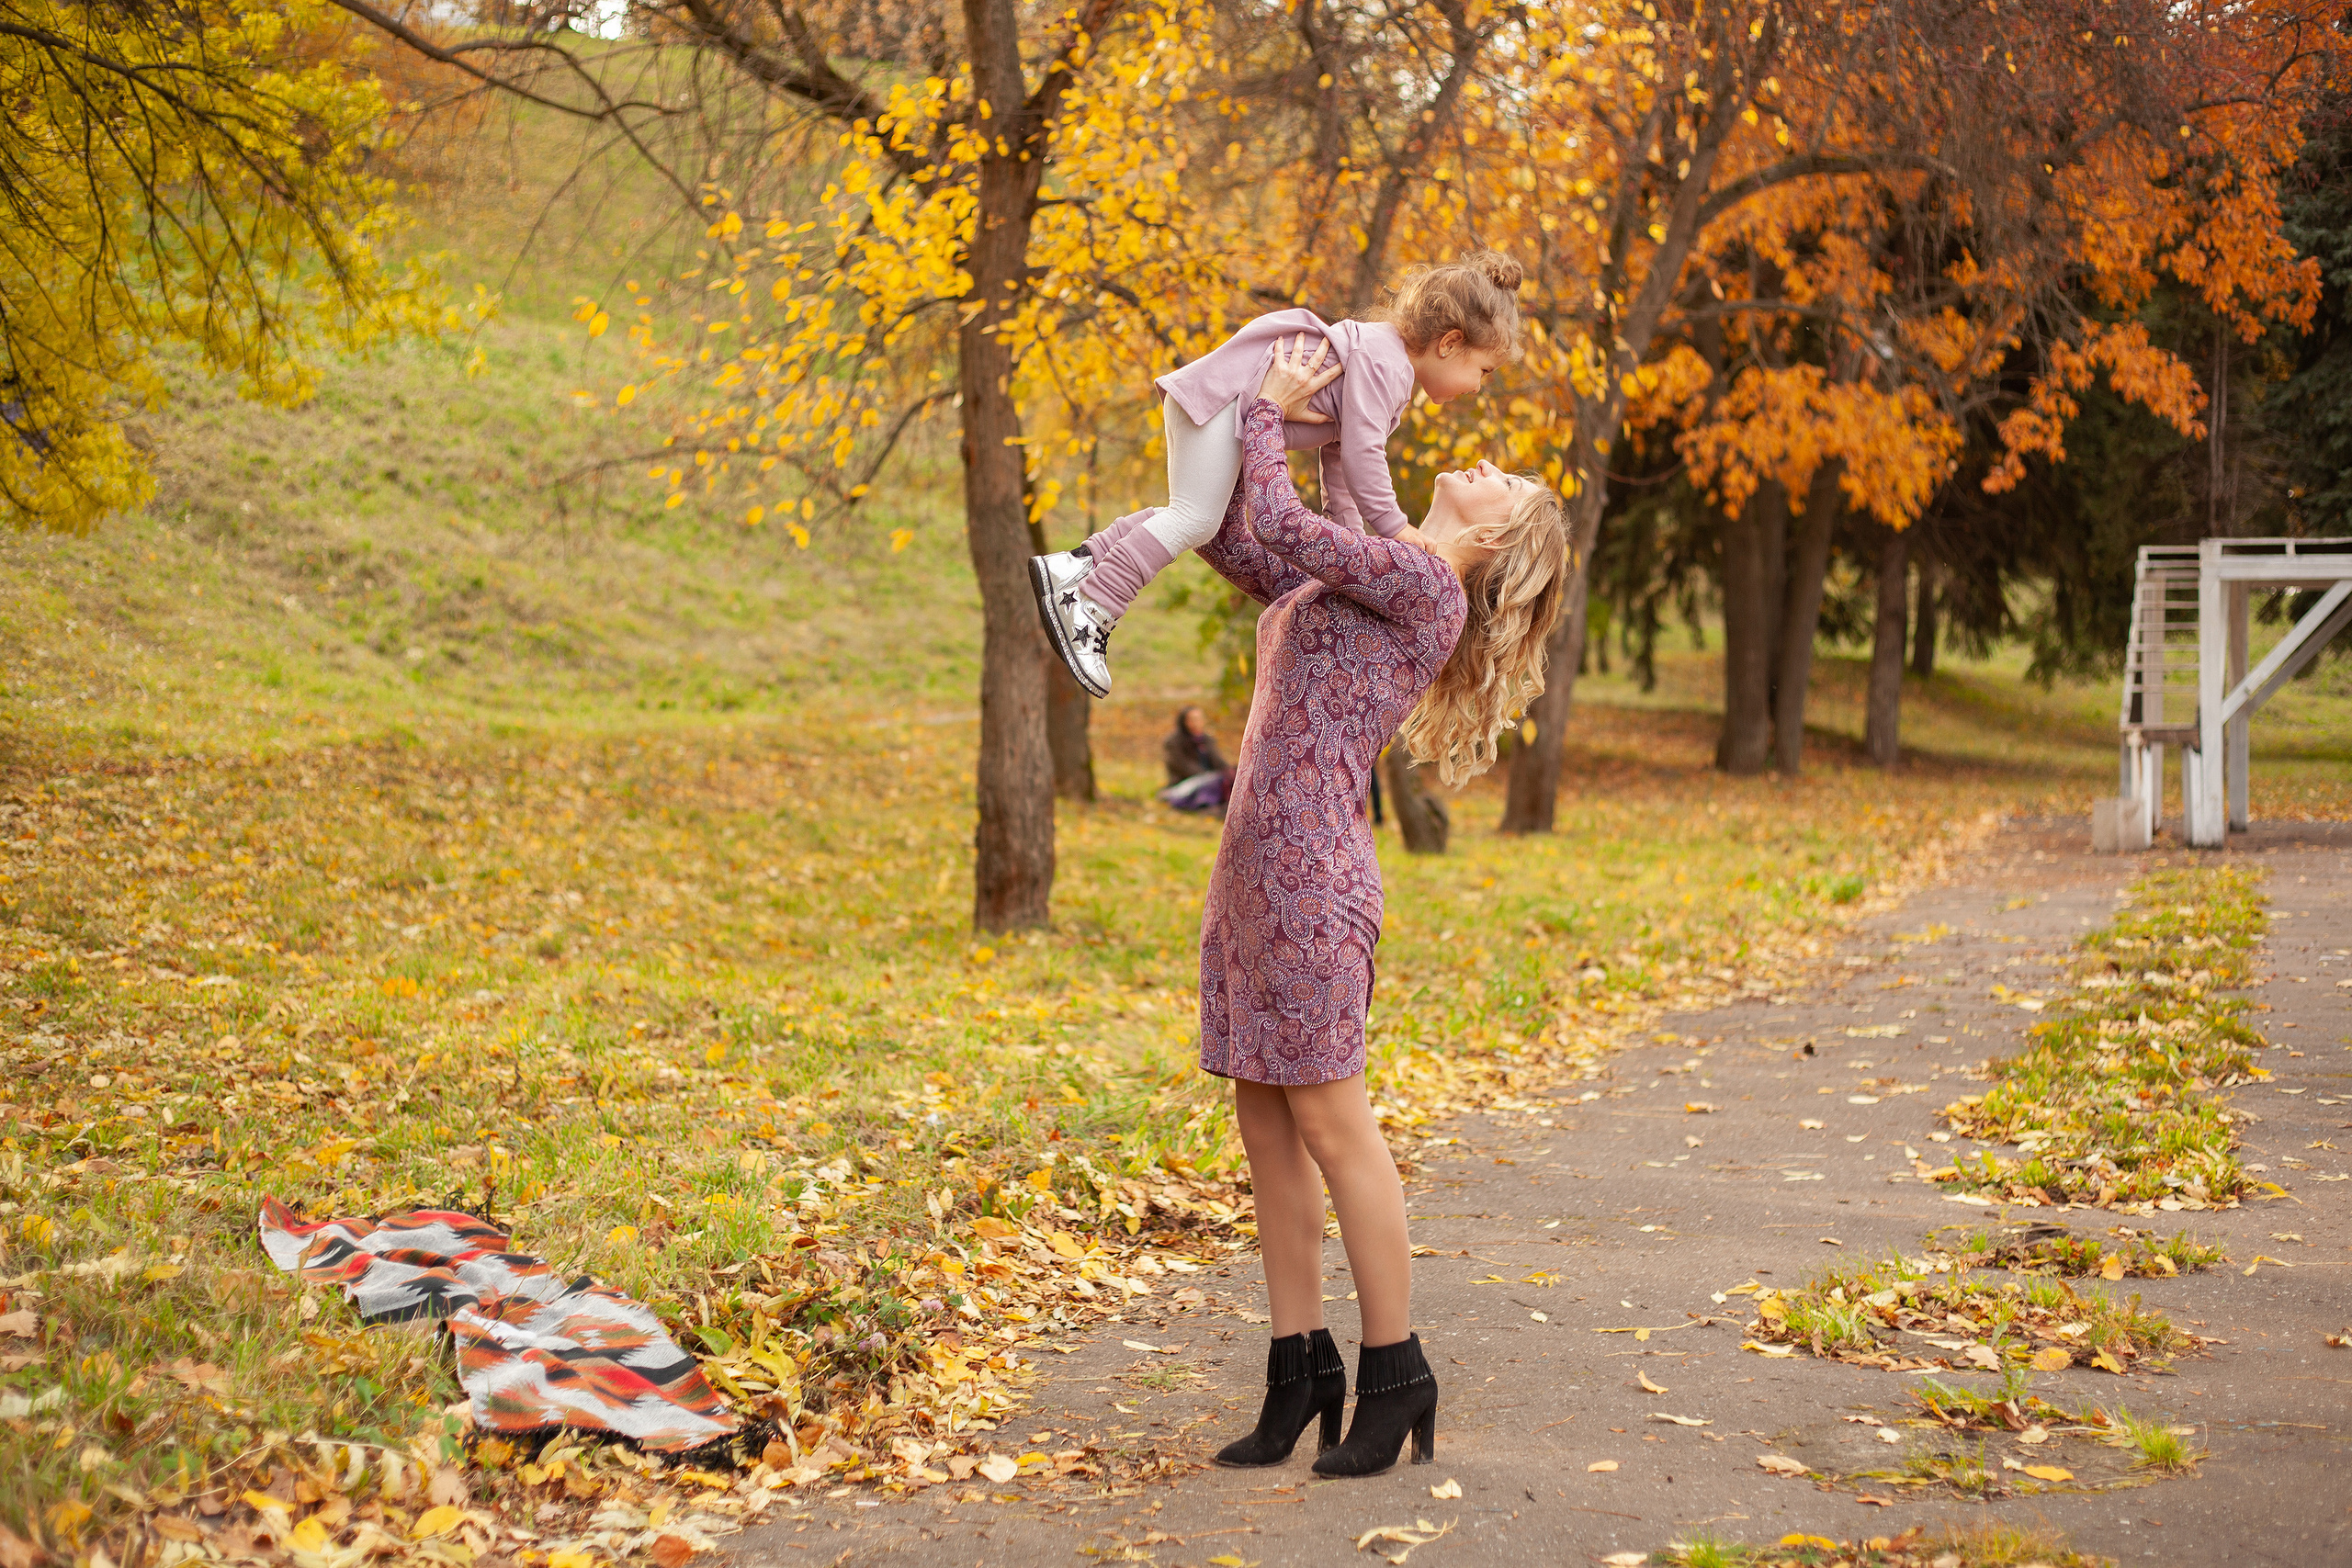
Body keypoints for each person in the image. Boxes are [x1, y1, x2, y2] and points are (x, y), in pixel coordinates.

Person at [1080, 337, 1570, 1477]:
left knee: (1334, 1129)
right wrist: (1216, 469)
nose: (1484, 459)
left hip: (1309, 879)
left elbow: (1291, 529)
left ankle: (1397, 1370)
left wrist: (1263, 416)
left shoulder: (1427, 582)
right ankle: (1299, 1367)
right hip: (1254, 873)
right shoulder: (1371, 565)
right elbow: (1255, 545)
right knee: (1264, 1125)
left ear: (1493, 534)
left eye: (1504, 478)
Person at [1028, 251, 1528, 699]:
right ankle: (1093, 605)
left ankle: (1078, 563)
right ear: (1450, 343)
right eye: (1484, 371)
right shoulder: (1388, 365)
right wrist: (1395, 527)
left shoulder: (1386, 367)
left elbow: (1337, 461)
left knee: (1194, 513)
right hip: (1228, 404)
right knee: (1195, 518)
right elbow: (1361, 456)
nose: (1479, 388)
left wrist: (1350, 539)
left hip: (1223, 404)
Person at [1159, 706, 1232, 814]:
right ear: (1184, 722)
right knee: (1213, 781)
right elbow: (1182, 766)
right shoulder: (1173, 742)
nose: (1196, 723)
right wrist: (1208, 776)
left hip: (1211, 780)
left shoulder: (1207, 740)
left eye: (1199, 719)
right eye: (1192, 720)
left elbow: (1219, 762)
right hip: (1185, 784)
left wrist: (1230, 771)